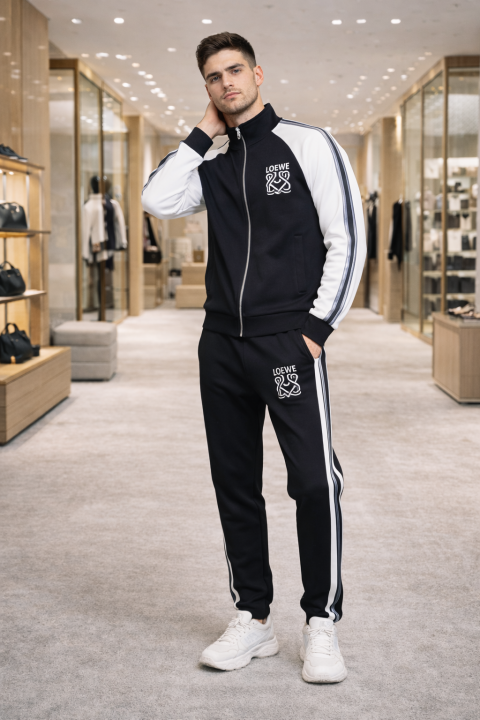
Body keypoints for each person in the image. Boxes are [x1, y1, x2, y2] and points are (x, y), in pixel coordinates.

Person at [142, 32, 366, 684]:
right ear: (206, 89)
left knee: (314, 480)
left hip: (286, 342)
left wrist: (316, 330)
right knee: (235, 483)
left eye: (235, 70)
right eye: (214, 77)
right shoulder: (210, 161)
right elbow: (157, 200)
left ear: (258, 73)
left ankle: (320, 621)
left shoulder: (307, 144)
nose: (227, 84)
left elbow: (347, 237)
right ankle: (254, 617)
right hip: (221, 346)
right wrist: (200, 135)